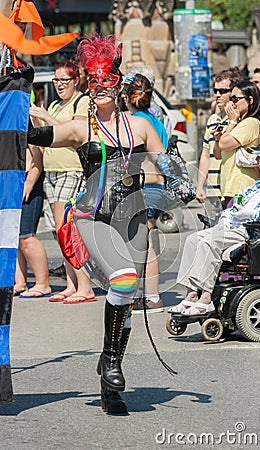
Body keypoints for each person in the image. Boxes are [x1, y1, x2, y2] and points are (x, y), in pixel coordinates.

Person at [28, 34, 181, 414]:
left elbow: (165, 164)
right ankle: (111, 362)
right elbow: (41, 135)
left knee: (125, 299)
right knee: (126, 278)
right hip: (91, 216)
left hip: (130, 217)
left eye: (105, 80)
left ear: (118, 83)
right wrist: (14, 105)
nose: (98, 88)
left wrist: (180, 181)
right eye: (91, 81)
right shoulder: (83, 127)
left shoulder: (140, 127)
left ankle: (110, 380)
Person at [169, 141, 260, 316]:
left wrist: (250, 215)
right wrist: (228, 215)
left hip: (255, 232)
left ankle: (205, 297)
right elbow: (239, 200)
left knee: (211, 242)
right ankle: (190, 294)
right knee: (193, 239)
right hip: (235, 226)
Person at [30, 61, 95, 304]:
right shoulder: (56, 104)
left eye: (64, 80)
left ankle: (85, 285)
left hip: (72, 169)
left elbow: (75, 133)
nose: (59, 85)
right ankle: (71, 284)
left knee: (68, 229)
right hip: (53, 170)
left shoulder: (82, 102)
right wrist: (38, 120)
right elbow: (48, 135)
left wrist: (46, 116)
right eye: (56, 80)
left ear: (76, 80)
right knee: (60, 233)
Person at [122, 72, 168, 313]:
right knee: (146, 240)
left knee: (145, 242)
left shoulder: (136, 122)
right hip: (156, 186)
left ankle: (152, 297)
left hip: (147, 186)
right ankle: (146, 294)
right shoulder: (154, 119)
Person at [213, 80, 260, 208]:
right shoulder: (238, 123)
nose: (231, 103)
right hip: (230, 188)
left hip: (241, 187)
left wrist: (232, 121)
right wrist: (217, 137)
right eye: (230, 99)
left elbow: (224, 144)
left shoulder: (251, 123)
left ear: (250, 100)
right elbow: (218, 154)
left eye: (235, 99)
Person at [196, 67, 241, 203]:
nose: (217, 95)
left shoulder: (240, 119)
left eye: (223, 91)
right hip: (212, 190)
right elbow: (205, 154)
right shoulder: (212, 119)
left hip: (232, 189)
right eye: (215, 91)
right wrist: (200, 186)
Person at [13, 144, 51, 298]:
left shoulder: (23, 120)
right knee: (13, 236)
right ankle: (20, 282)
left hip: (28, 180)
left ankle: (43, 283)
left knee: (26, 236)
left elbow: (37, 154)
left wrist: (29, 183)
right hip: (11, 180)